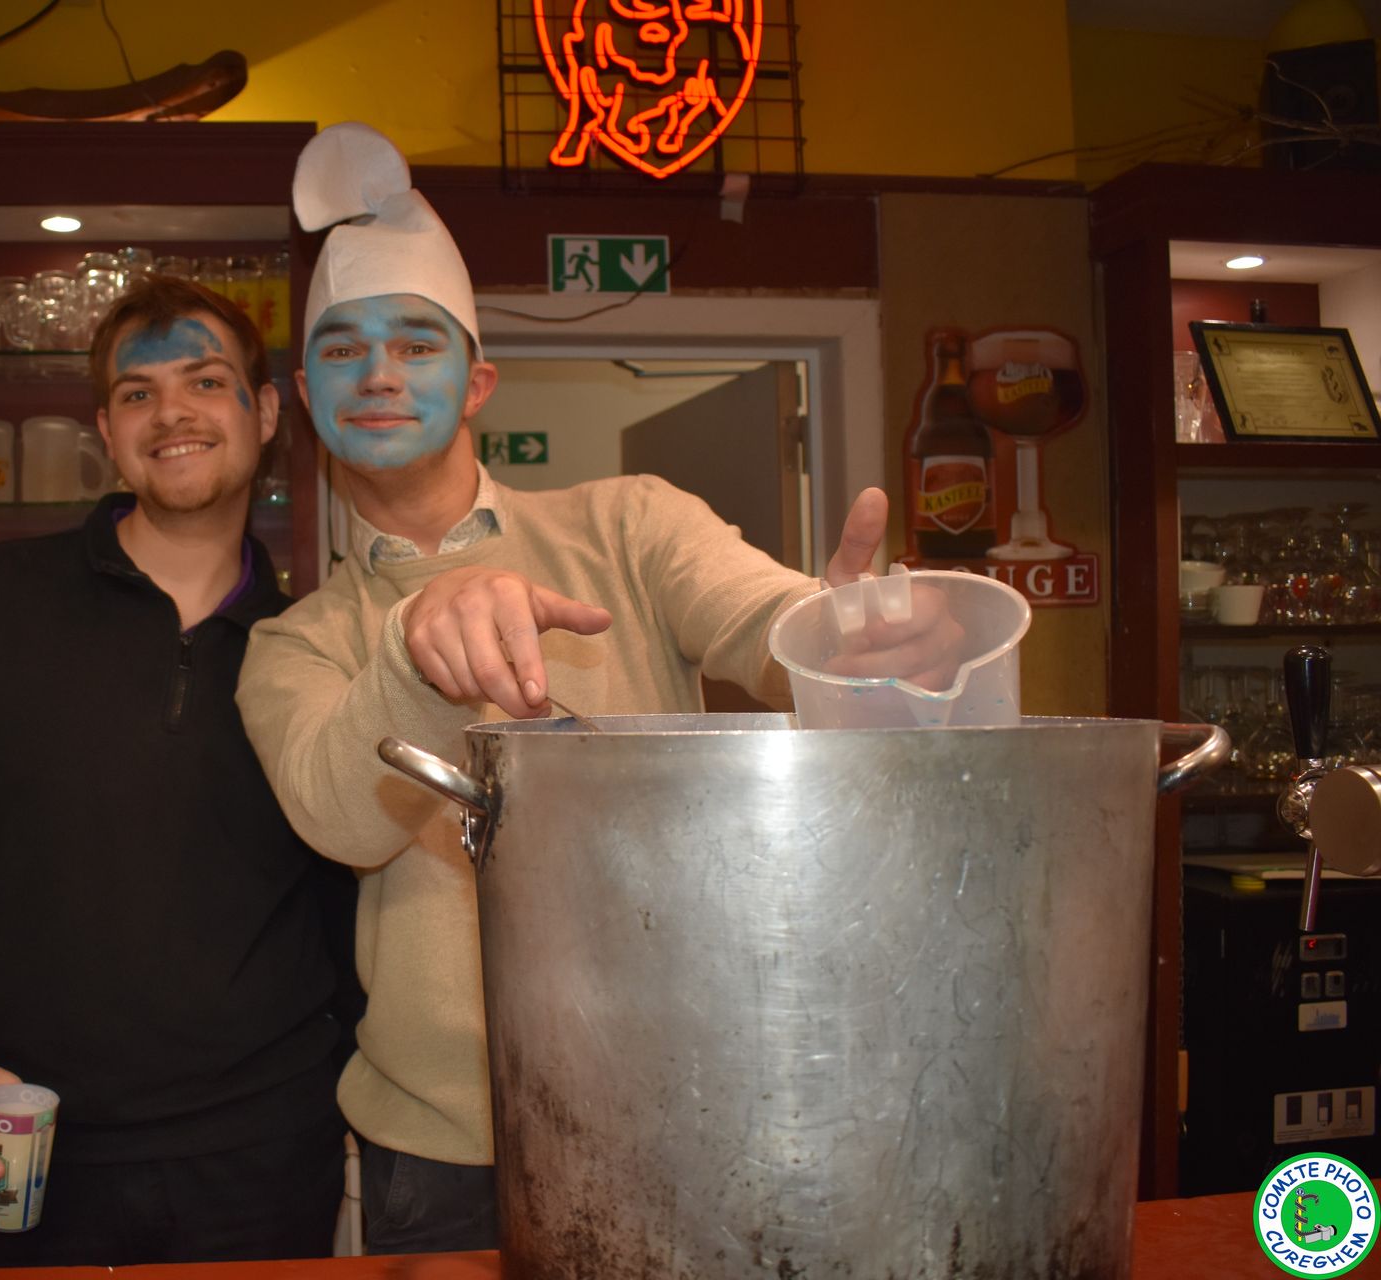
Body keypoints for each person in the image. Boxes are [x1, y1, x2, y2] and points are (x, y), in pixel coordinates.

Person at [235, 122, 957, 1254]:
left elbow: (759, 618)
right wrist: (415, 650)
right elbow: (340, 816)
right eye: (342, 349)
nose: (377, 374)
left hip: (680, 1096)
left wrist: (838, 641)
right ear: (304, 391)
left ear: (478, 381)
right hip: (443, 1144)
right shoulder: (296, 640)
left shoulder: (629, 524)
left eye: (417, 343)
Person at [0, 276, 352, 1267]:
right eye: (139, 393)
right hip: (15, 1145)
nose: (172, 412)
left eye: (206, 380)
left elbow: (353, 909)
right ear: (107, 430)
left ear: (267, 412)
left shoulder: (312, 648)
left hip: (262, 1159)